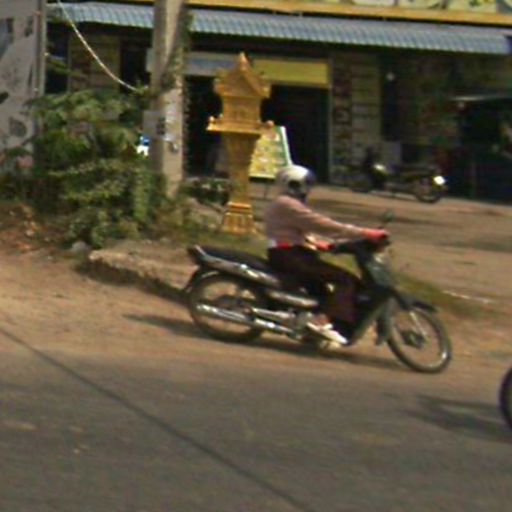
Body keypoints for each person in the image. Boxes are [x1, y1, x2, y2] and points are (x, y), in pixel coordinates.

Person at [263, 164, 388, 347]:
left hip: (293, 253)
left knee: (322, 292)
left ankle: (313, 330)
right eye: (306, 184)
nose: (308, 189)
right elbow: (322, 224)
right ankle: (320, 322)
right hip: (290, 255)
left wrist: (317, 243)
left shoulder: (285, 203)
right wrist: (365, 233)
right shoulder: (287, 204)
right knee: (346, 280)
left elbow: (296, 230)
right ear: (293, 184)